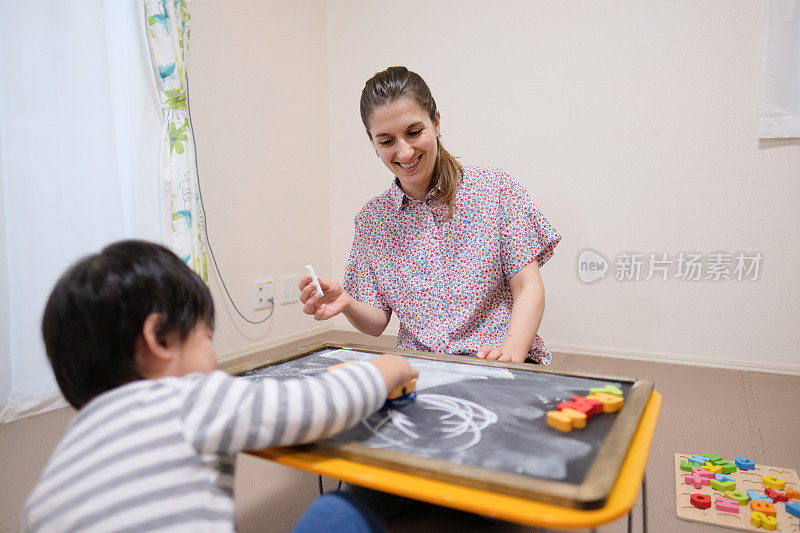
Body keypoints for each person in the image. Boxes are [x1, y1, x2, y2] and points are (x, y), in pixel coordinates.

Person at [25, 240, 417, 532]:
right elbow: (323, 403)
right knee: (337, 515)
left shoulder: (59, 466)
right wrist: (391, 365)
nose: (212, 355)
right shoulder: (190, 400)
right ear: (160, 338)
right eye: (206, 337)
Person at [300, 66, 561, 364]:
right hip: (421, 370)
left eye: (414, 132)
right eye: (386, 141)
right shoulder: (373, 220)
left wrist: (511, 353)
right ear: (372, 142)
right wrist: (346, 302)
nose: (405, 152)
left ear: (436, 122)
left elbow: (528, 286)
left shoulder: (495, 190)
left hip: (496, 359)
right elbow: (376, 323)